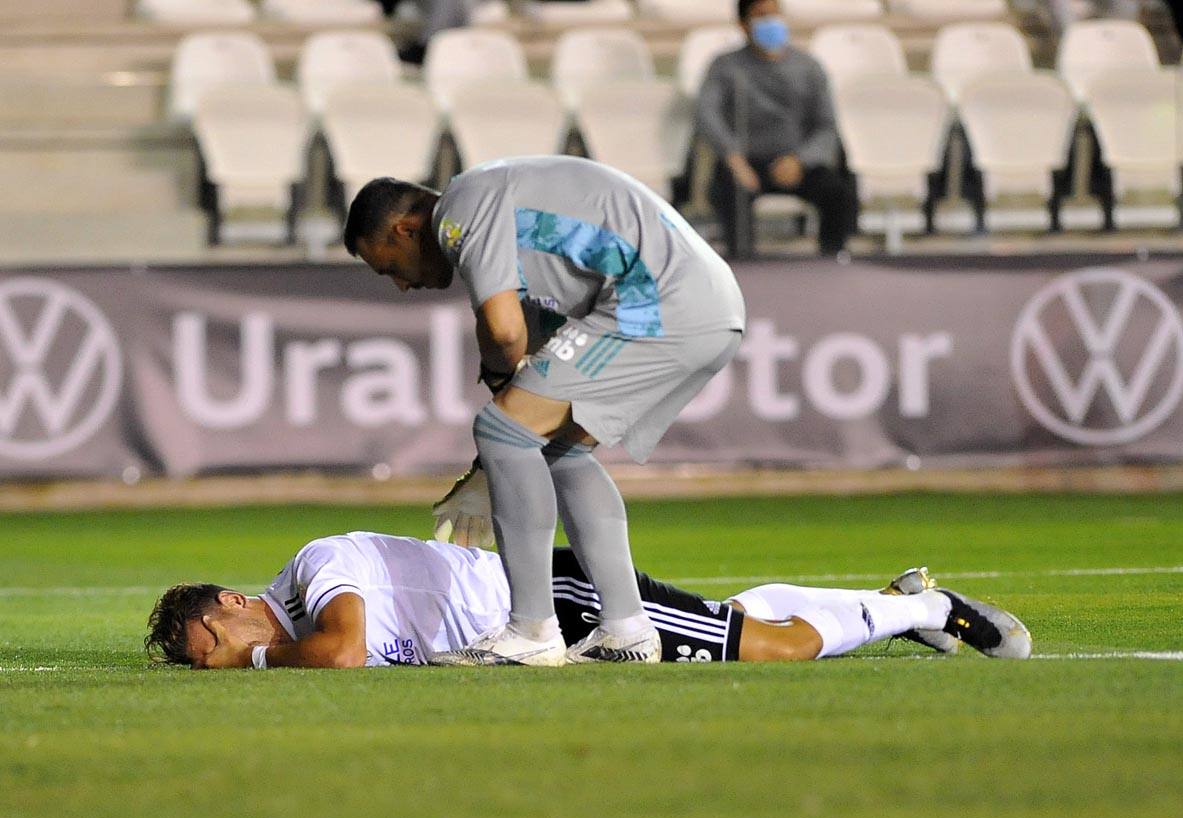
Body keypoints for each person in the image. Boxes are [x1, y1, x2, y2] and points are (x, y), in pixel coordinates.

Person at [341, 156, 746, 667]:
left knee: (500, 430)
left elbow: (505, 334)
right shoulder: (506, 213)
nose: (400, 284)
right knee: (558, 450)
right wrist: (503, 449)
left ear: (406, 229)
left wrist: (498, 439)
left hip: (659, 302)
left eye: (390, 267)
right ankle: (628, 629)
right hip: (708, 305)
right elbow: (527, 356)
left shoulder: (460, 208)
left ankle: (531, 629)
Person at [144, 531, 1032, 669]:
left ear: (233, 599)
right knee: (732, 625)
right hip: (540, 628)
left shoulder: (313, 567)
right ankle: (889, 598)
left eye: (214, 643)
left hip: (561, 601)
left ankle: (932, 608)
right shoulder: (295, 607)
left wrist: (259, 657)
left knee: (772, 650)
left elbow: (340, 652)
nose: (223, 662)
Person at [697, 0, 858, 257]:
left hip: (796, 164)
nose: (771, 22)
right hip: (745, 164)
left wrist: (800, 161)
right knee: (728, 190)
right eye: (761, 16)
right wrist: (734, 158)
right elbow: (707, 115)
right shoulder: (726, 67)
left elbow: (826, 127)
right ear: (743, 24)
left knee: (837, 191)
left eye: (775, 14)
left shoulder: (808, 67)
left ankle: (833, 257)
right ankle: (742, 260)